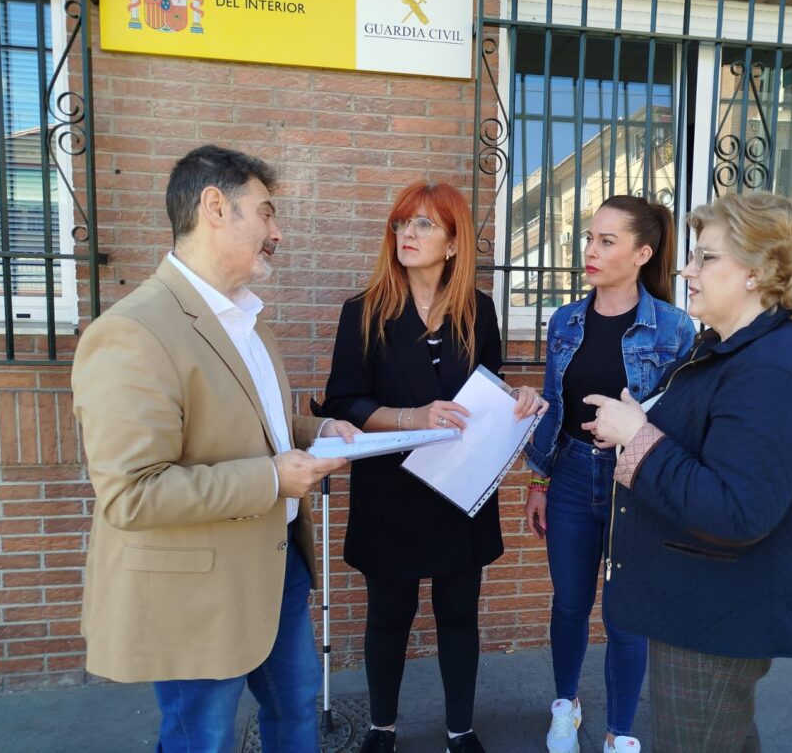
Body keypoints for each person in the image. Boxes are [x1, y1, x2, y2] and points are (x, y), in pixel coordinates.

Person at [72, 145, 359, 752]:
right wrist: (272, 480)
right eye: (266, 212)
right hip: (199, 592)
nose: (276, 232)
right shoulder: (132, 331)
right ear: (214, 208)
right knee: (201, 737)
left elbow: (264, 429)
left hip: (277, 567)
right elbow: (131, 493)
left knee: (297, 712)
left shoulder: (250, 323)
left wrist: (321, 432)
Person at [584, 192, 792, 753]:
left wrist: (637, 436)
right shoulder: (736, 347)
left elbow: (736, 509)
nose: (687, 270)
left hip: (716, 616)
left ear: (756, 272)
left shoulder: (775, 368)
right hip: (704, 602)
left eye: (706, 258)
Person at [320, 181, 544, 753]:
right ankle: (381, 728)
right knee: (388, 618)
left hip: (459, 490)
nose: (407, 234)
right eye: (401, 224)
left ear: (452, 242)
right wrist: (410, 414)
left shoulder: (479, 310)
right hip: (391, 491)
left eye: (423, 224)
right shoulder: (363, 312)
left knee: (458, 617)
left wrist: (518, 399)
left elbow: (486, 392)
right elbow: (344, 402)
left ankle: (460, 729)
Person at [522, 196, 695, 753]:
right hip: (571, 474)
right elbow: (553, 400)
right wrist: (540, 481)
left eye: (606, 241)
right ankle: (565, 706)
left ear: (642, 253)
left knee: (626, 615)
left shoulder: (674, 327)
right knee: (570, 602)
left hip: (636, 484)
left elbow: (684, 417)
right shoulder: (566, 320)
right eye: (590, 238)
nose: (590, 251)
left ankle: (620, 733)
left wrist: (640, 435)